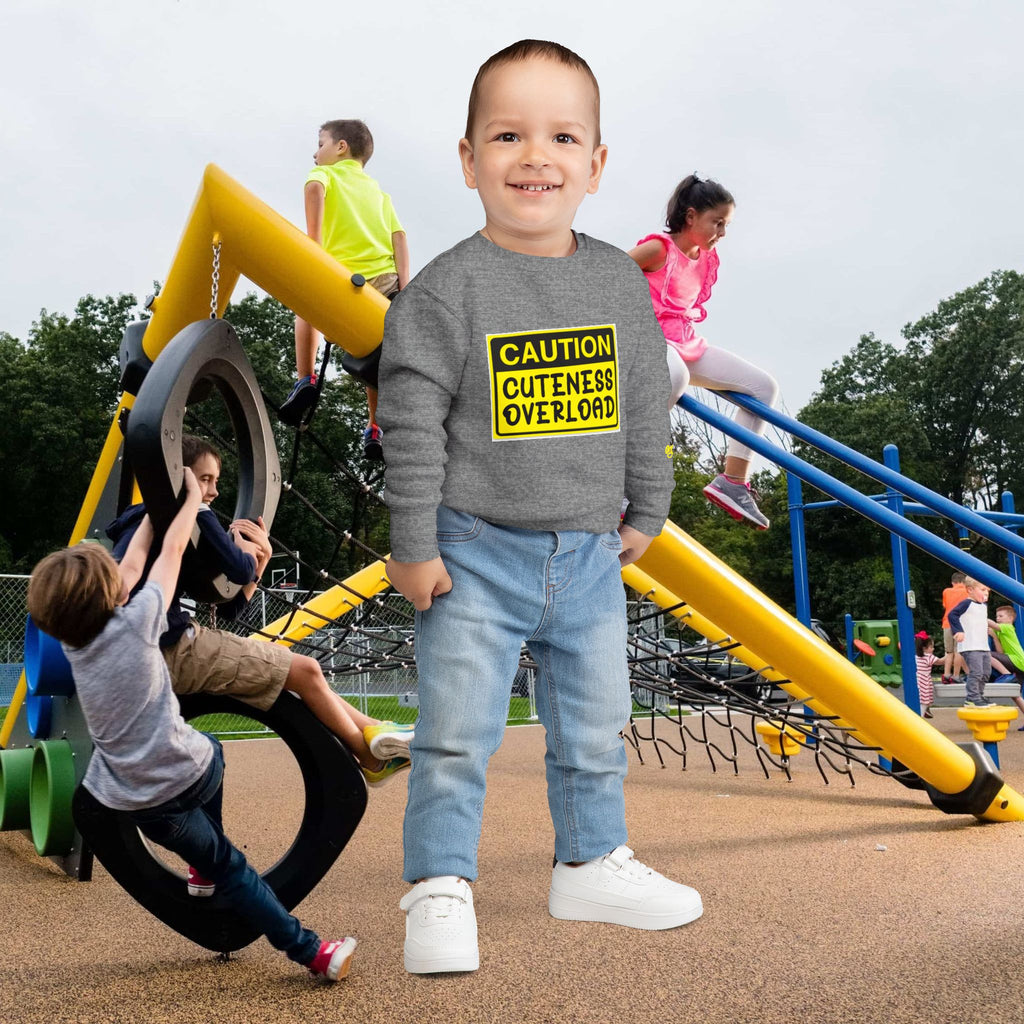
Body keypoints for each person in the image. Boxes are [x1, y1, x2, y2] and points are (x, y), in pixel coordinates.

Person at [376, 39, 703, 977]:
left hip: (592, 556)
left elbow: (646, 399)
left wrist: (651, 505)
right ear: (470, 157)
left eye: (563, 135)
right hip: (474, 550)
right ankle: (439, 885)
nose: (536, 155)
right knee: (454, 735)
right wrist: (413, 543)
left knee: (597, 726)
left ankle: (592, 861)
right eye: (508, 134)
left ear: (596, 165)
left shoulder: (613, 283)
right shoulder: (446, 290)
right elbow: (411, 417)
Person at [26, 470, 357, 981]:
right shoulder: (141, 622)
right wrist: (186, 502)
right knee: (218, 777)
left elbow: (136, 560)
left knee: (211, 767)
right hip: (183, 777)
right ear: (113, 594)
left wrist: (156, 515)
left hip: (135, 802)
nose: (123, 570)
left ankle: (205, 867)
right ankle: (311, 951)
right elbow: (171, 550)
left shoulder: (74, 644)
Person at [108, 435, 412, 789]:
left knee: (299, 674)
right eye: (205, 479)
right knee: (305, 669)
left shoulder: (164, 524)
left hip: (164, 649)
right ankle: (371, 755)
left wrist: (261, 559)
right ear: (181, 476)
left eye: (216, 481)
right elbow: (237, 570)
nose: (214, 492)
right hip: (169, 651)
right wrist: (243, 550)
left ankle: (373, 729)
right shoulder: (186, 512)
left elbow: (230, 607)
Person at [627, 175, 779, 530]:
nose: (722, 232)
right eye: (718, 222)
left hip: (682, 343)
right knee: (675, 375)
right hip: (644, 341)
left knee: (763, 387)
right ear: (691, 216)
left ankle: (733, 482)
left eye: (726, 224)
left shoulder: (705, 258)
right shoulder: (658, 249)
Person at [281, 118, 410, 461]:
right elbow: (399, 237)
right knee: (373, 353)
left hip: (341, 278)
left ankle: (306, 380)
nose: (314, 153)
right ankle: (374, 427)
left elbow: (313, 190)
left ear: (340, 147)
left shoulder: (325, 174)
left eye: (320, 143)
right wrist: (405, 284)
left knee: (304, 305)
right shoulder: (381, 194)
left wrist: (315, 244)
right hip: (384, 282)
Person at [947, 577, 993, 707]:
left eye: (987, 590)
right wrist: (958, 631)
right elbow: (952, 615)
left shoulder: (983, 606)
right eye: (983, 589)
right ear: (970, 590)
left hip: (983, 646)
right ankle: (972, 698)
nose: (986, 593)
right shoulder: (966, 603)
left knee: (986, 673)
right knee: (977, 672)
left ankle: (979, 695)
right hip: (971, 646)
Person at [988, 605, 1024, 728]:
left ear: (1010, 619)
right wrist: (994, 636)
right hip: (1018, 664)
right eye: (996, 616)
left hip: (1018, 661)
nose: (998, 618)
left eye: (1001, 616)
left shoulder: (1008, 627)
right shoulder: (1000, 631)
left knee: (985, 654)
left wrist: (979, 615)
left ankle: (1007, 675)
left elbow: (992, 624)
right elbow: (1001, 652)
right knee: (1015, 695)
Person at [940, 571, 970, 683]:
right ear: (964, 582)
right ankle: (956, 675)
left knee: (948, 652)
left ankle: (946, 675)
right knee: (959, 651)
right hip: (960, 624)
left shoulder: (946, 591)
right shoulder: (967, 592)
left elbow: (945, 605)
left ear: (953, 582)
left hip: (947, 623)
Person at [914, 632, 937, 718]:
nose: (933, 649)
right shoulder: (928, 656)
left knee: (921, 699)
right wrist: (949, 655)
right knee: (924, 700)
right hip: (924, 681)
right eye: (931, 647)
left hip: (918, 680)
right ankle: (922, 713)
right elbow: (940, 661)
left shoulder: (916, 656)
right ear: (924, 648)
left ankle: (925, 710)